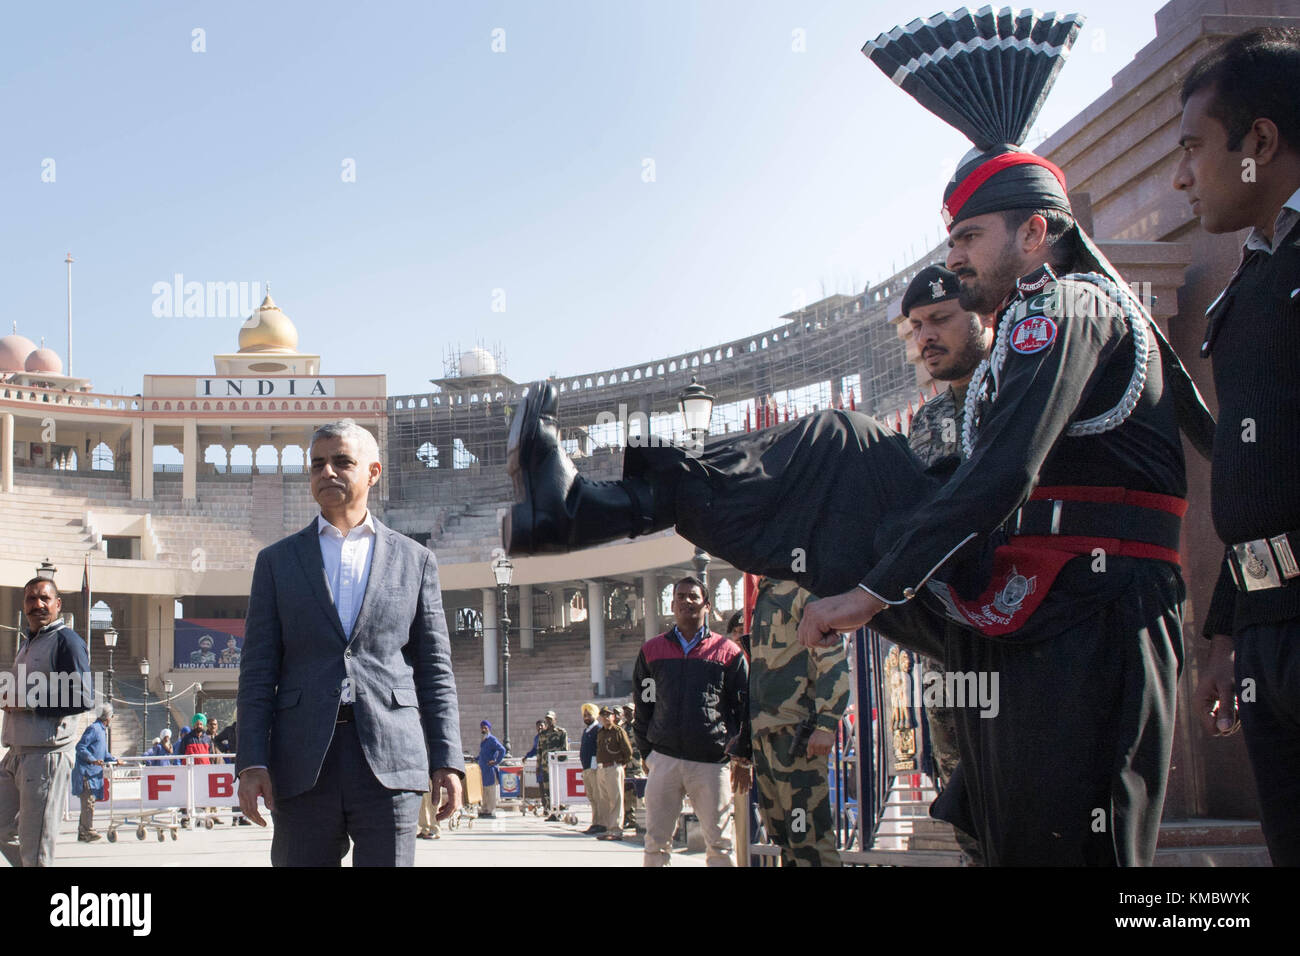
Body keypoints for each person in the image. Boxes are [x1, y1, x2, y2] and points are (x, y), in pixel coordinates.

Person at [507, 12, 1216, 866]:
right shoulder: (1026, 322)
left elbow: (999, 477)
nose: (954, 259)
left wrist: (867, 594)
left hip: (1093, 612)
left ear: (1035, 232)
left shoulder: (1068, 311)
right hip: (1031, 600)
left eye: (966, 238)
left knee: (1067, 851)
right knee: (838, 443)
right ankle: (583, 509)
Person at [1176, 27, 1300, 867]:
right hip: (1268, 633)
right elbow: (1252, 488)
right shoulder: (1249, 284)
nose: (1181, 176)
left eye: (1193, 148)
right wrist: (1227, 637)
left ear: (1258, 143)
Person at [237, 419, 465, 867]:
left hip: (390, 760)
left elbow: (435, 670)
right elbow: (258, 671)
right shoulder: (276, 562)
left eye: (342, 461)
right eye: (318, 464)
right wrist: (251, 761)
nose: (328, 472)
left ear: (373, 472)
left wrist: (448, 759)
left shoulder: (415, 561)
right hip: (302, 762)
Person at [899, 263, 991, 865]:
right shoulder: (927, 420)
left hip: (1019, 623)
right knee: (962, 796)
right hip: (945, 644)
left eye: (940, 319)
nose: (926, 335)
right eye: (917, 326)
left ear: (980, 316)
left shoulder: (1019, 389)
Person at [633, 577, 749, 866]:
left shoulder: (728, 652)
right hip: (665, 759)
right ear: (671, 605)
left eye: (694, 597)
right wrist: (649, 753)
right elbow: (643, 706)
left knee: (720, 844)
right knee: (656, 843)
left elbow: (743, 708)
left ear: (707, 605)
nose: (687, 601)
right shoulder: (651, 651)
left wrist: (743, 757)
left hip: (711, 762)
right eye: (680, 596)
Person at [747, 577, 850, 867]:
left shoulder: (798, 590)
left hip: (796, 737)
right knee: (784, 838)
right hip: (766, 737)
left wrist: (827, 724)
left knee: (810, 839)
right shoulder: (764, 597)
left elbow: (832, 660)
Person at [0, 578, 94, 867]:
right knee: (4, 830)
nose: (38, 604)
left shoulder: (67, 641)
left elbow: (83, 696)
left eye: (45, 598)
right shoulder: (29, 641)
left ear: (57, 604)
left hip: (44, 756)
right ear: (24, 605)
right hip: (16, 752)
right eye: (31, 599)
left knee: (36, 845)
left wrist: (26, 699)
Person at [73, 705, 116, 842]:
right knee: (88, 803)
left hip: (94, 773)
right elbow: (80, 747)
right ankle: (88, 830)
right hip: (87, 773)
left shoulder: (102, 731)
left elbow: (102, 753)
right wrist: (92, 760)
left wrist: (114, 760)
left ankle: (83, 832)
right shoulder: (94, 729)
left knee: (88, 802)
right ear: (107, 717)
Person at [594, 706, 634, 841]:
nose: (605, 718)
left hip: (614, 767)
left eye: (608, 715)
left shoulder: (618, 731)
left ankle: (616, 830)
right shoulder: (600, 732)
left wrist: (621, 764)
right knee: (604, 800)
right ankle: (608, 828)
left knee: (616, 800)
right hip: (602, 768)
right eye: (603, 716)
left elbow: (628, 751)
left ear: (613, 717)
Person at [535, 711, 568, 821]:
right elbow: (539, 751)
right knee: (548, 791)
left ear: (555, 720)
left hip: (557, 767)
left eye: (550, 719)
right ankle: (552, 813)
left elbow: (565, 750)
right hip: (545, 767)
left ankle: (560, 811)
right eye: (547, 719)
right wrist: (537, 766)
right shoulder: (542, 734)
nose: (548, 721)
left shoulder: (561, 732)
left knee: (559, 789)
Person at [578, 703, 602, 833]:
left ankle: (600, 823)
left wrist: (595, 765)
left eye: (589, 715)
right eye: (585, 715)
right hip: (586, 768)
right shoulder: (586, 730)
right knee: (591, 796)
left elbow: (598, 749)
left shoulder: (597, 729)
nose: (586, 717)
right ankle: (595, 822)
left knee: (597, 796)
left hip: (594, 768)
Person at [477, 720, 506, 818]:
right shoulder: (484, 740)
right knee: (484, 791)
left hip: (490, 769)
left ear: (489, 728)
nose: (483, 729)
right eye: (482, 727)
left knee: (491, 790)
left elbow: (502, 750)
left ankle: (490, 810)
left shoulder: (492, 739)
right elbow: (483, 754)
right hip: (483, 770)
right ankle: (485, 809)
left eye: (485, 727)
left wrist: (496, 761)